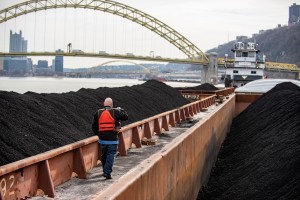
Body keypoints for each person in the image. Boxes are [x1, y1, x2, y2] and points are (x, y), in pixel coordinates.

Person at [92, 97, 128, 179]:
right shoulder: (115, 112)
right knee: (111, 154)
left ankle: (105, 170)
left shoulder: (98, 113)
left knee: (104, 155)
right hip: (112, 139)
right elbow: (125, 117)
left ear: (104, 104)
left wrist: (97, 134)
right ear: (111, 105)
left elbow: (94, 126)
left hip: (102, 139)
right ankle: (107, 172)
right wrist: (121, 109)